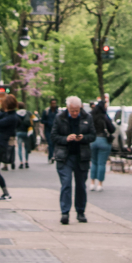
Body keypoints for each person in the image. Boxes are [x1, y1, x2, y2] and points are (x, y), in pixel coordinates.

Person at [54, 95, 92, 224]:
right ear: (68, 108)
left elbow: (92, 135)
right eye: (72, 111)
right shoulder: (60, 118)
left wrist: (83, 137)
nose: (75, 113)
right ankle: (65, 212)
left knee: (81, 185)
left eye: (77, 110)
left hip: (82, 156)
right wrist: (66, 138)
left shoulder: (87, 117)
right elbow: (53, 136)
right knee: (66, 184)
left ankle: (80, 212)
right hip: (65, 156)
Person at [88, 95, 115, 189]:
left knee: (93, 162)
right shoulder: (104, 117)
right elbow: (112, 129)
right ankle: (99, 184)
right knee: (101, 163)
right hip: (103, 140)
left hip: (92, 141)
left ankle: (92, 183)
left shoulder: (90, 116)